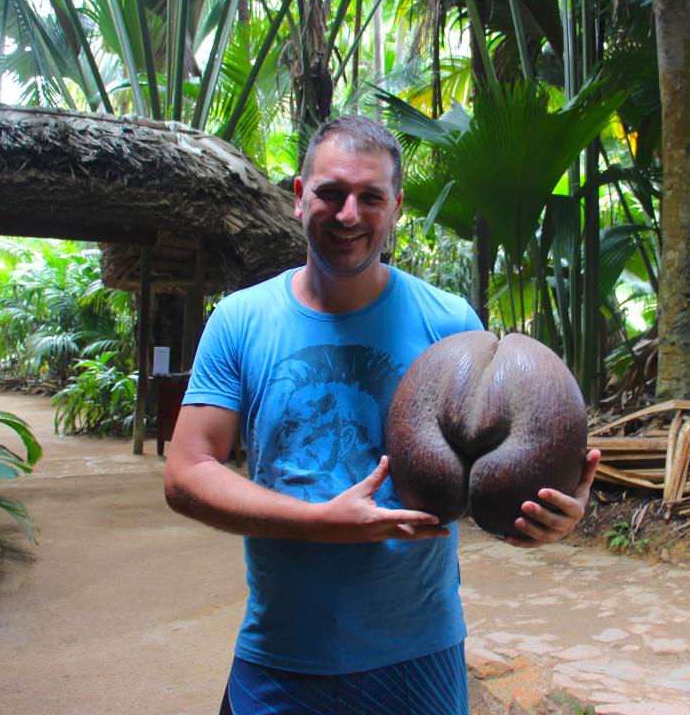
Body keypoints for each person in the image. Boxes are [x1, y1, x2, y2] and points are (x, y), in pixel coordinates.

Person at [164, 115, 601, 715]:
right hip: (284, 652)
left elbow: (484, 483)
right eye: (331, 193)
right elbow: (187, 473)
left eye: (370, 197)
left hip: (418, 654)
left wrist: (546, 518)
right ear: (299, 198)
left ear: (395, 208)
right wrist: (321, 521)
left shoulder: (450, 323)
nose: (349, 215)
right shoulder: (240, 320)